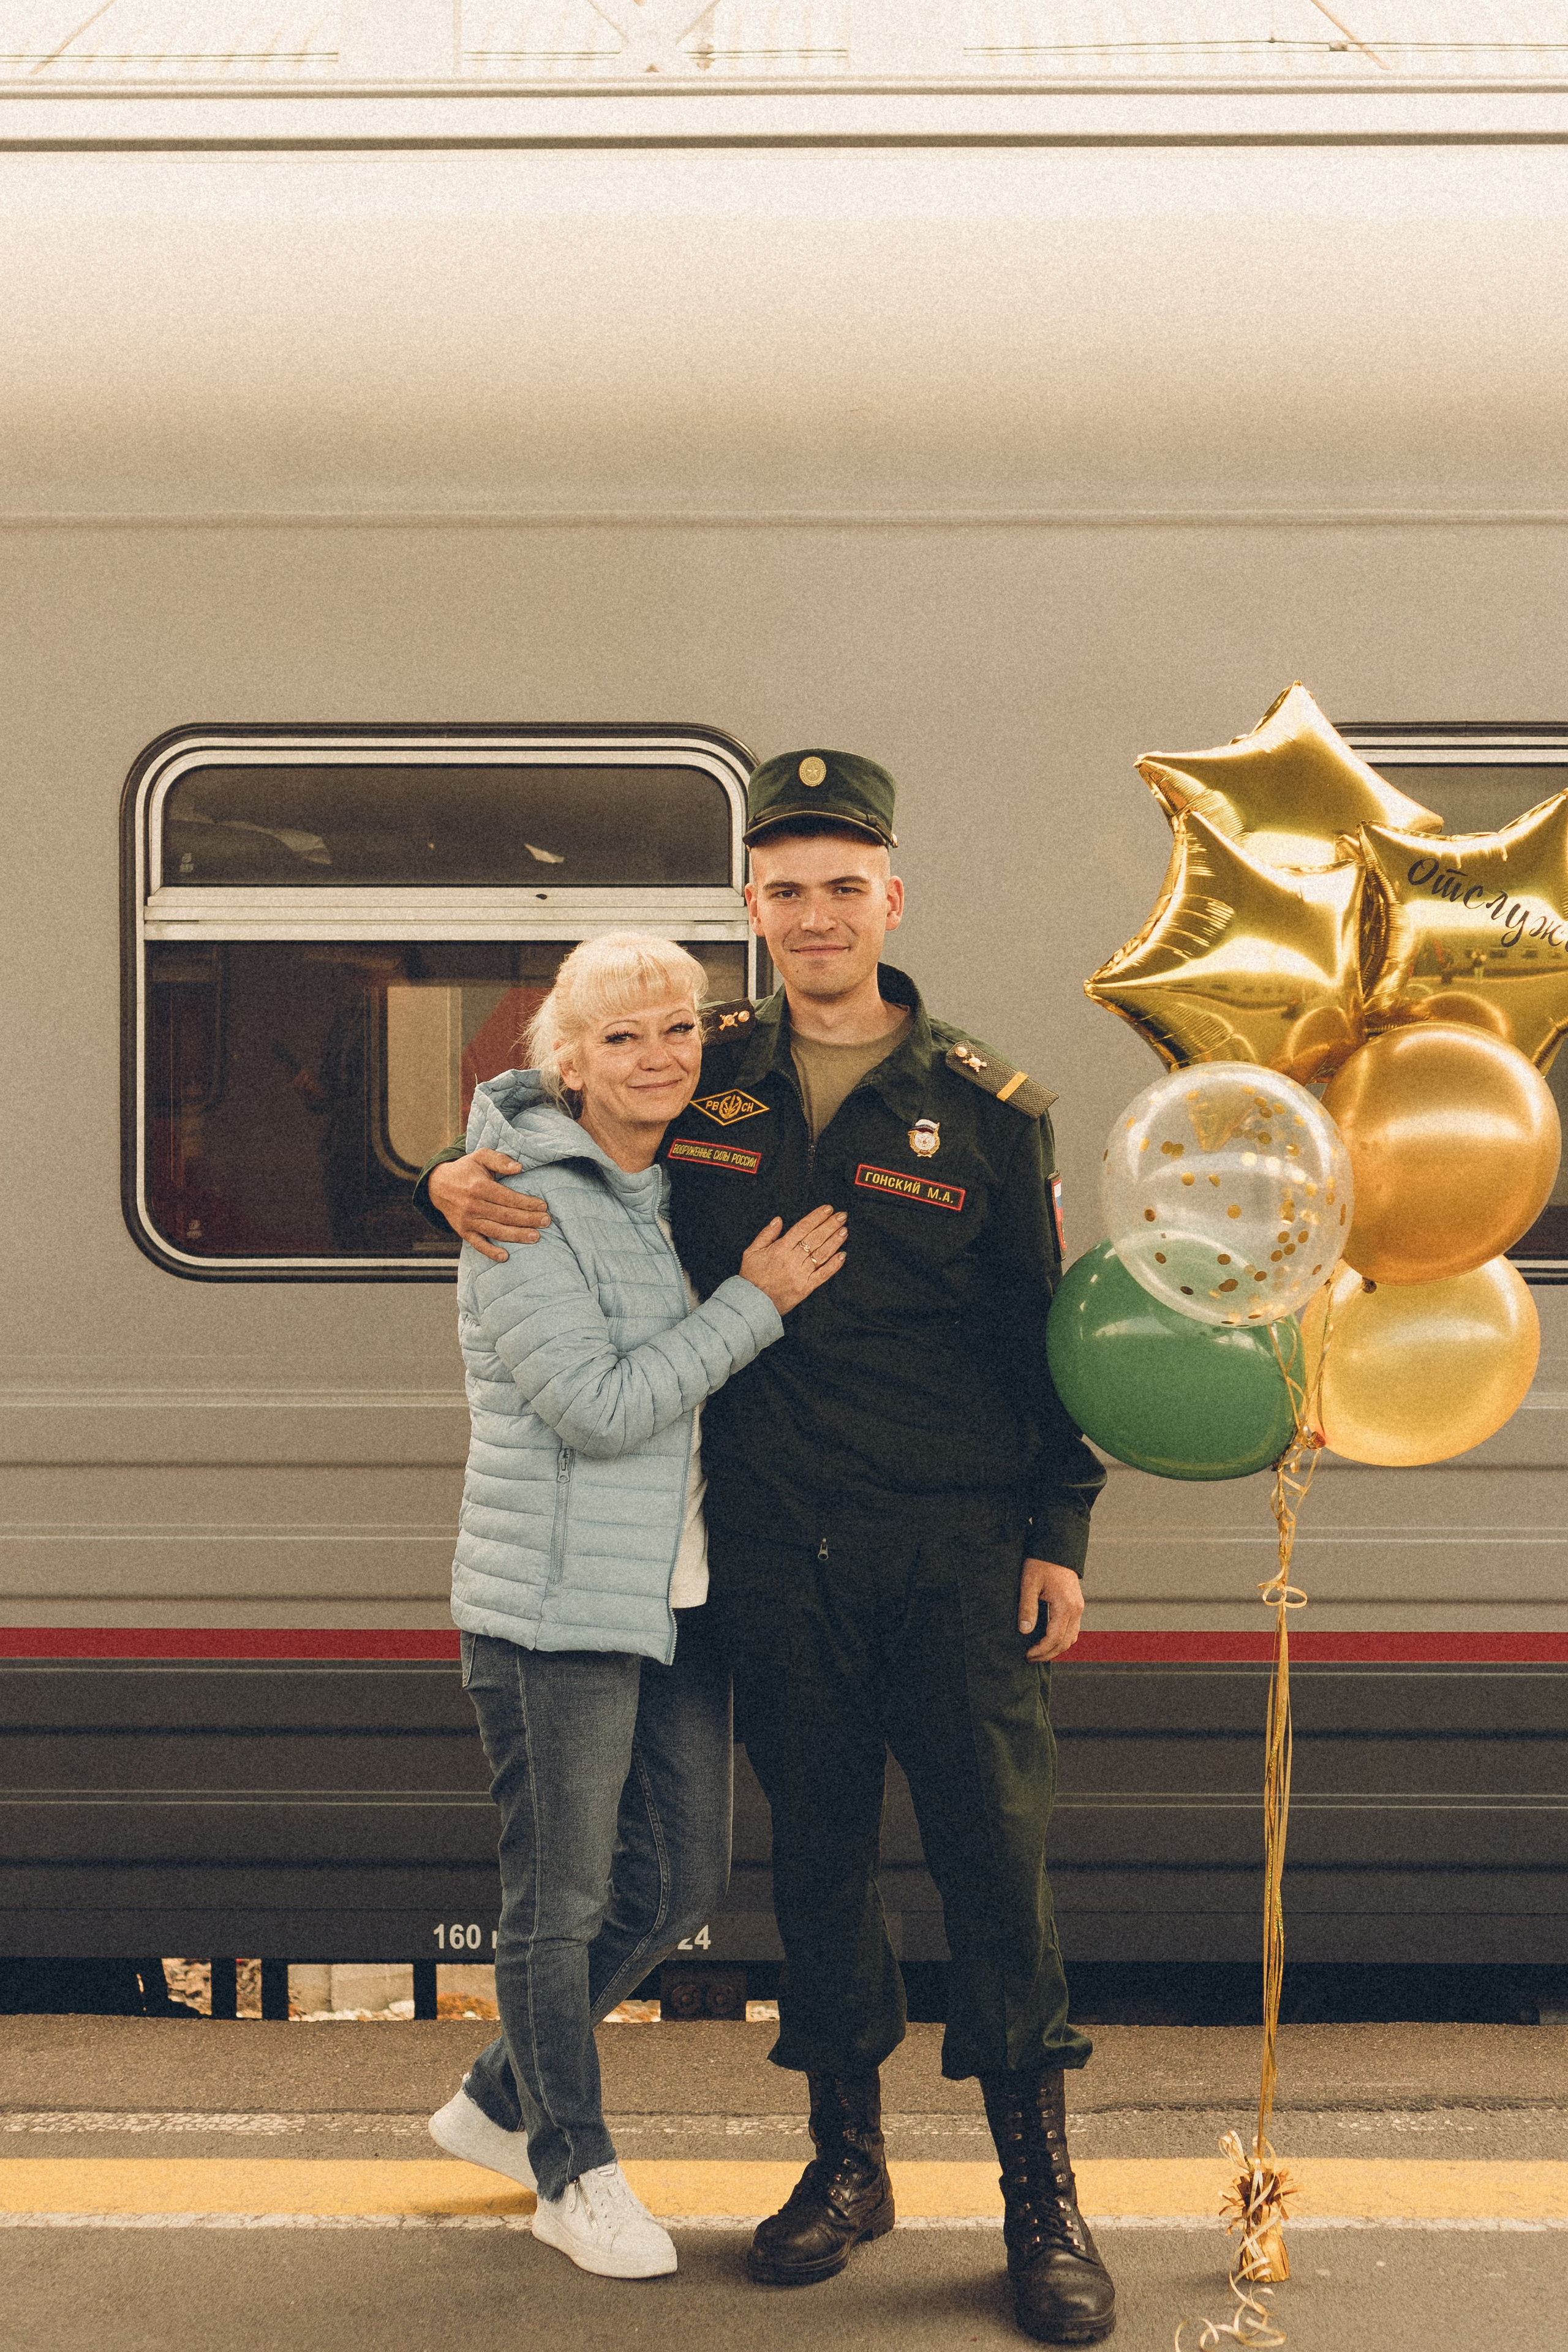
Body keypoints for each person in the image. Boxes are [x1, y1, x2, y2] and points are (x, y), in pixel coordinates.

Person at [418, 755, 1117, 2345]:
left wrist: (1058, 1531)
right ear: (756, 910)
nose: (815, 914)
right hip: (770, 1559)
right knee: (816, 1874)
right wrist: (441, 1176)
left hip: (950, 1551)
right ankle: (847, 2168)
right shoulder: (704, 1072)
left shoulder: (990, 1108)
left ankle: (1039, 2203)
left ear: (890, 897)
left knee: (995, 1871)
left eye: (842, 883)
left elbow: (1041, 1337)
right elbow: (550, 1113)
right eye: (786, 887)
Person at [426, 932, 845, 2282]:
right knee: (558, 1900)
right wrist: (754, 1304)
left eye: (677, 1030)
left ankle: (498, 2098)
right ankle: (571, 2171)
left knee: (681, 1881)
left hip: (672, 1596)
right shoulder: (518, 1206)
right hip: (555, 1605)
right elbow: (599, 1409)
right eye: (621, 1038)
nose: (657, 1056)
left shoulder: (675, 1181)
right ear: (566, 1061)